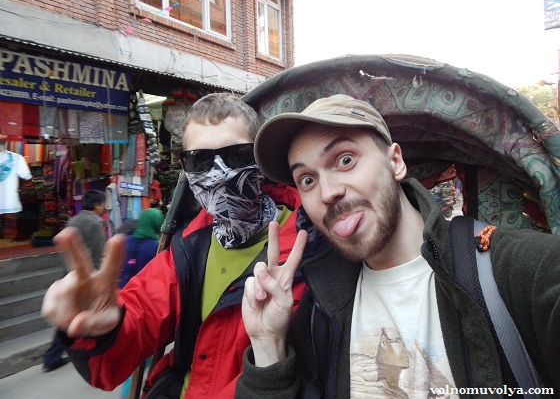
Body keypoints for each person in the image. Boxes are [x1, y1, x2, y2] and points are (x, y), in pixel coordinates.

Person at [236, 94, 560, 397]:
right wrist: (268, 343)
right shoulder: (318, 310)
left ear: (395, 162)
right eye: (307, 179)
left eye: (345, 160)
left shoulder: (521, 268)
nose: (328, 192)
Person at [41, 93, 318, 398]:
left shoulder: (310, 250)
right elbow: (136, 322)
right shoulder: (187, 247)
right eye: (199, 160)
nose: (218, 174)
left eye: (237, 155)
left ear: (259, 158)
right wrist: (102, 328)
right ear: (186, 169)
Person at [42, 188, 107, 372]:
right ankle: (55, 356)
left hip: (70, 275)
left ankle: (55, 356)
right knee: (77, 319)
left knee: (72, 317)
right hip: (86, 279)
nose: (105, 207)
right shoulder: (94, 223)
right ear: (97, 205)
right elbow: (98, 255)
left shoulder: (74, 220)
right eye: (103, 203)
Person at [117, 207, 164, 399]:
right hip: (143, 306)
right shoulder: (156, 247)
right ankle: (129, 393)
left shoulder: (126, 241)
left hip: (121, 301)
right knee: (141, 356)